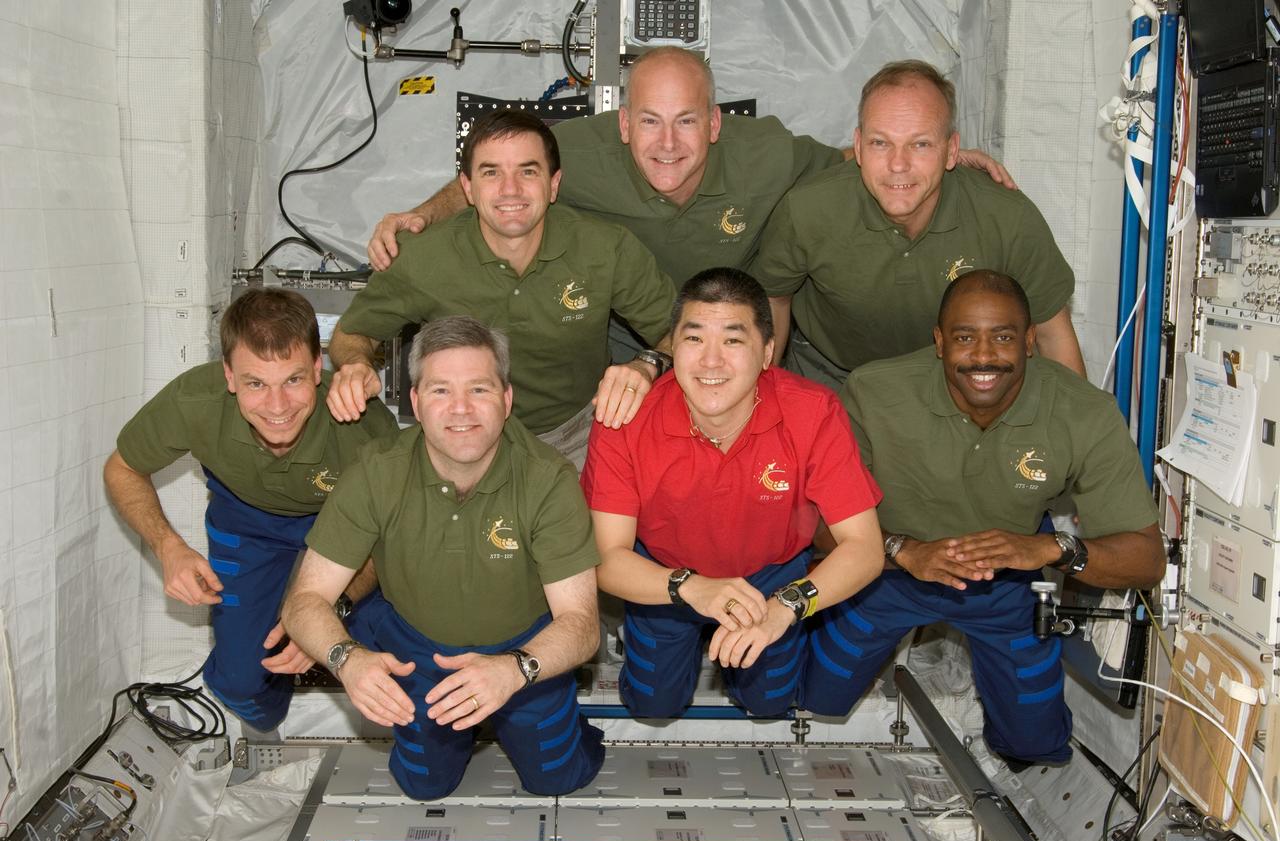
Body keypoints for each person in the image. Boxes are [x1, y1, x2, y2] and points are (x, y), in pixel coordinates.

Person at [366, 49, 1014, 363]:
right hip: (623, 344)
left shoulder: (765, 153)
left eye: (686, 121)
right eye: (650, 121)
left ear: (715, 123)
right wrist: (418, 216)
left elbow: (855, 160)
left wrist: (940, 160)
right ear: (624, 125)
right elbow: (498, 177)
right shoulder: (579, 152)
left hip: (732, 342)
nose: (668, 144)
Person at [801, 270, 1164, 767]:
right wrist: (903, 551)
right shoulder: (873, 393)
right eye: (965, 337)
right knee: (815, 702)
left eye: (1004, 337)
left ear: (1030, 341)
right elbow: (816, 528)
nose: (984, 356)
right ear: (939, 342)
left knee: (1035, 746)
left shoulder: (1083, 411)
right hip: (885, 573)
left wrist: (1050, 548)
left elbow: (1147, 559)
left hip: (1004, 580)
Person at [282, 316, 604, 800]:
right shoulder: (376, 472)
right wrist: (347, 660)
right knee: (422, 786)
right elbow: (303, 601)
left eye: (479, 389)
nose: (460, 409)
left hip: (524, 648)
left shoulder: (547, 479)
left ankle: (560, 722)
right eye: (440, 391)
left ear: (506, 399)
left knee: (558, 780)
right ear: (415, 402)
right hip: (419, 648)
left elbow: (581, 624)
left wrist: (513, 669)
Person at [580, 268, 883, 717]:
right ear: (673, 346)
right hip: (665, 571)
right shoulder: (625, 420)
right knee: (653, 707)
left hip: (772, 575)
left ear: (767, 352)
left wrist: (785, 607)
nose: (711, 361)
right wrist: (690, 588)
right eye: (694, 338)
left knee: (768, 704)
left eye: (733, 340)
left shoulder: (813, 411)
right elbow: (607, 558)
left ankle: (777, 652)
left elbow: (865, 548)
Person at [104, 289, 397, 733]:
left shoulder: (364, 425)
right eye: (256, 383)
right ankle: (268, 697)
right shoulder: (195, 401)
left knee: (403, 646)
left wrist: (325, 616)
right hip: (247, 521)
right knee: (242, 682)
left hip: (346, 529)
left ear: (318, 368)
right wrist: (168, 548)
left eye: (293, 380)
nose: (277, 407)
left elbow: (390, 531)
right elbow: (122, 469)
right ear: (229, 375)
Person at [327, 110, 676, 469]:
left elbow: (680, 332)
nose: (510, 189)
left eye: (528, 171)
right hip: (462, 433)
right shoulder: (422, 259)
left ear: (554, 184)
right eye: (491, 172)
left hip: (578, 435)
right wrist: (355, 365)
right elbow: (352, 334)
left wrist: (646, 365)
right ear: (468, 188)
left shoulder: (606, 249)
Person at [752, 60, 1086, 390]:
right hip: (832, 373)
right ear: (859, 146)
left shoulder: (1006, 217)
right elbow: (775, 300)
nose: (898, 164)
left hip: (955, 382)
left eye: (920, 144)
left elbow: (1052, 335)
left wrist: (1080, 422)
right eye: (880, 142)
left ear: (951, 151)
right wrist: (762, 400)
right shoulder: (807, 210)